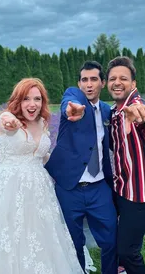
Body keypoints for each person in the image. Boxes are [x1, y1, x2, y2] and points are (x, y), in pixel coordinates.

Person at [0, 78, 84, 274]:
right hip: (8, 193)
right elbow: (9, 122)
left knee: (39, 241)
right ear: (18, 100)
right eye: (26, 98)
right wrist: (13, 123)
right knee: (5, 242)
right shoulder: (6, 118)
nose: (32, 104)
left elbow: (42, 156)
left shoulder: (43, 123)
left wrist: (69, 164)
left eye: (37, 99)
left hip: (39, 193)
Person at [45, 61, 119, 273]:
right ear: (79, 83)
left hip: (99, 188)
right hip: (69, 188)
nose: (88, 84)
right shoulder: (73, 98)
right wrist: (72, 109)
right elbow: (68, 101)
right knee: (73, 244)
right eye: (84, 80)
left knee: (110, 240)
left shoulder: (106, 111)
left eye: (93, 79)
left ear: (102, 83)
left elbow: (117, 142)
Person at [106, 56, 145, 274]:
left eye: (123, 78)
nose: (117, 82)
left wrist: (138, 114)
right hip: (122, 187)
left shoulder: (138, 106)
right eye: (113, 78)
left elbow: (144, 116)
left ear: (133, 84)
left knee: (129, 251)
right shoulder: (114, 112)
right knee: (120, 241)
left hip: (142, 192)